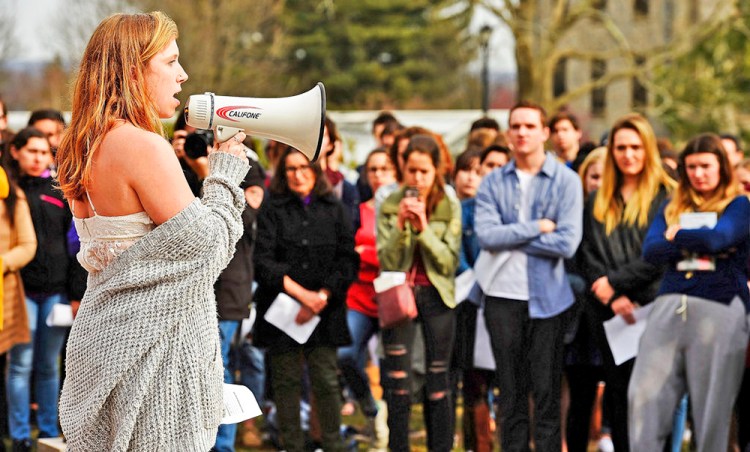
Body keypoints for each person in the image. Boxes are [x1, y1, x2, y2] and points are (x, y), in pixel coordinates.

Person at [54, 12, 251, 451]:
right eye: (171, 62)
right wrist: (224, 173)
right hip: (153, 358)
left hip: (102, 341)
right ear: (133, 69)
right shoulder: (142, 145)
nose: (183, 76)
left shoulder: (80, 144)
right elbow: (208, 247)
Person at [629, 133, 750, 452]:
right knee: (643, 396)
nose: (698, 173)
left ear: (722, 168)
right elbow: (652, 250)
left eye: (706, 166)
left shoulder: (739, 205)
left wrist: (679, 234)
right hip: (669, 304)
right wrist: (701, 239)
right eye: (692, 167)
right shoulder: (671, 204)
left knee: (713, 404)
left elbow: (719, 239)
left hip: (720, 305)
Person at [474, 100, 583, 452]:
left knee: (547, 394)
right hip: (501, 299)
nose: (522, 132)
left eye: (530, 126)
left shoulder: (566, 180)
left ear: (545, 132)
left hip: (548, 300)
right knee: (511, 395)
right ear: (507, 133)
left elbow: (567, 242)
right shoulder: (492, 181)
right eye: (516, 126)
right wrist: (536, 228)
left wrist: (512, 237)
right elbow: (487, 236)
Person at [252, 146, 358, 452]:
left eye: (304, 168)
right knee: (285, 382)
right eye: (290, 169)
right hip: (283, 309)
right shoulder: (274, 207)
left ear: (315, 170)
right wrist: (301, 297)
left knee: (325, 380)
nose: (298, 175)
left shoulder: (334, 206)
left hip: (324, 310)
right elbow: (263, 261)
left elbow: (346, 259)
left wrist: (321, 297)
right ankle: (291, 444)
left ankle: (332, 444)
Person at [579, 113, 674, 452]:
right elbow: (587, 253)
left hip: (653, 308)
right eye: (620, 147)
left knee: (653, 396)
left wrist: (616, 285)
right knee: (618, 395)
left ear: (647, 149)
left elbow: (659, 254)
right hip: (610, 315)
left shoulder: (666, 197)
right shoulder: (596, 200)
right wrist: (610, 297)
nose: (628, 154)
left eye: (635, 146)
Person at [377, 134, 461, 452]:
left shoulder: (447, 202)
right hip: (399, 298)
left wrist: (424, 228)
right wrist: (400, 227)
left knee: (438, 382)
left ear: (436, 170)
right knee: (398, 384)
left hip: (437, 297)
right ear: (403, 169)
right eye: (412, 170)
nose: (418, 178)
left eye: (424, 171)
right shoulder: (390, 200)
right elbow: (387, 259)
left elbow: (448, 261)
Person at [3, 127, 73, 451]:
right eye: (32, 151)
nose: (38, 158)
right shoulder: (10, 190)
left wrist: (74, 292)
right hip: (20, 291)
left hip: (55, 293)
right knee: (20, 364)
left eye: (44, 152)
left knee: (48, 365)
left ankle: (46, 430)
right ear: (16, 151)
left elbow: (74, 244)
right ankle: (19, 435)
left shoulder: (60, 190)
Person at [337, 148, 395, 449]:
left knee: (392, 368)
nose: (378, 174)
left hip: (394, 300)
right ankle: (371, 409)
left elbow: (396, 255)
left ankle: (391, 431)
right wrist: (368, 257)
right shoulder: (359, 210)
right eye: (373, 169)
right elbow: (349, 253)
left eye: (385, 168)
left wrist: (367, 255)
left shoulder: (400, 209)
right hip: (360, 297)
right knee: (344, 354)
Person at [214, 161, 266, 452]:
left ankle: (223, 445)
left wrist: (207, 173)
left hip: (231, 291)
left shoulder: (249, 168)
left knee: (221, 369)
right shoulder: (175, 163)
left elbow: (241, 222)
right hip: (194, 288)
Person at [0, 160, 36, 450]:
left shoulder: (11, 193)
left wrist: (2, 263)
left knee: (10, 367)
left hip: (5, 294)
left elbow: (27, 244)